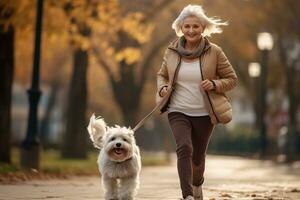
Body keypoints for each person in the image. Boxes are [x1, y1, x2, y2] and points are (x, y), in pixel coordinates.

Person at [156, 4, 238, 200]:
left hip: (204, 113)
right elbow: (162, 75)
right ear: (180, 28)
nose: (191, 30)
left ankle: (197, 183)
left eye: (195, 26)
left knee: (198, 159)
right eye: (187, 26)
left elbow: (232, 79)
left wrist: (214, 84)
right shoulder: (172, 51)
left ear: (203, 28)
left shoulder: (215, 51)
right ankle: (187, 195)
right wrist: (162, 88)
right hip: (178, 110)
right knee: (184, 148)